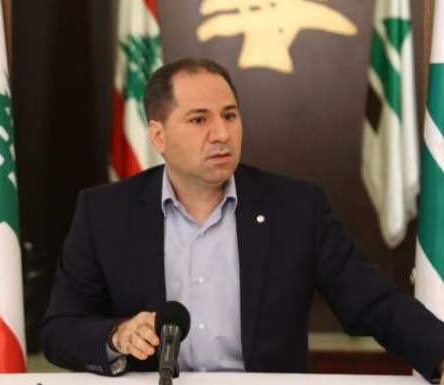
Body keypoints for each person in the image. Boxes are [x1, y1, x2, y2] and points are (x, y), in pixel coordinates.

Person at [41, 58, 444, 381]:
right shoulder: (104, 212)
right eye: (199, 119)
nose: (221, 134)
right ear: (158, 135)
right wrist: (116, 335)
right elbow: (59, 330)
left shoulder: (297, 208)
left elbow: (373, 302)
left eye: (230, 115)